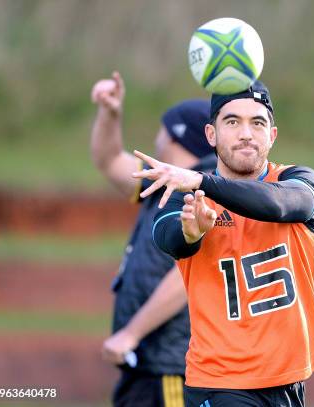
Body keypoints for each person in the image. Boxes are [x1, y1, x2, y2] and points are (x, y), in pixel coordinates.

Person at [132, 81, 314, 407]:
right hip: (221, 384)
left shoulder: (298, 181)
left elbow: (280, 205)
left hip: (288, 382)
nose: (246, 133)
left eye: (258, 122)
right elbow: (166, 237)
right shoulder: (188, 197)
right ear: (211, 134)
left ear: (272, 135)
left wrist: (203, 180)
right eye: (232, 121)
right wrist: (191, 233)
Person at [90, 71, 216, 407]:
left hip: (170, 368)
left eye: (162, 131)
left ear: (178, 138)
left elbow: (188, 274)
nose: (157, 140)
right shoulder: (164, 183)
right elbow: (108, 159)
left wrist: (132, 333)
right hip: (148, 365)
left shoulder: (201, 192)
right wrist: (109, 114)